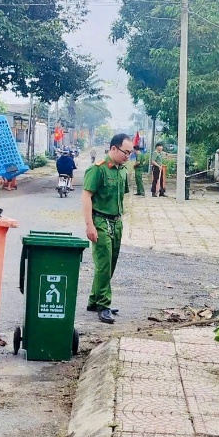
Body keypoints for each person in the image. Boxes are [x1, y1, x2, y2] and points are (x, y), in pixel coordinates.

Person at [83, 133, 132, 324]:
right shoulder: (98, 169)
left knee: (111, 263)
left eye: (130, 153)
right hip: (101, 221)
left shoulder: (122, 170)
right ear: (113, 148)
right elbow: (86, 196)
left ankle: (94, 300)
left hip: (116, 222)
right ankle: (103, 305)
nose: (128, 156)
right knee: (103, 265)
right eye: (125, 152)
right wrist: (90, 225)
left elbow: (122, 196)